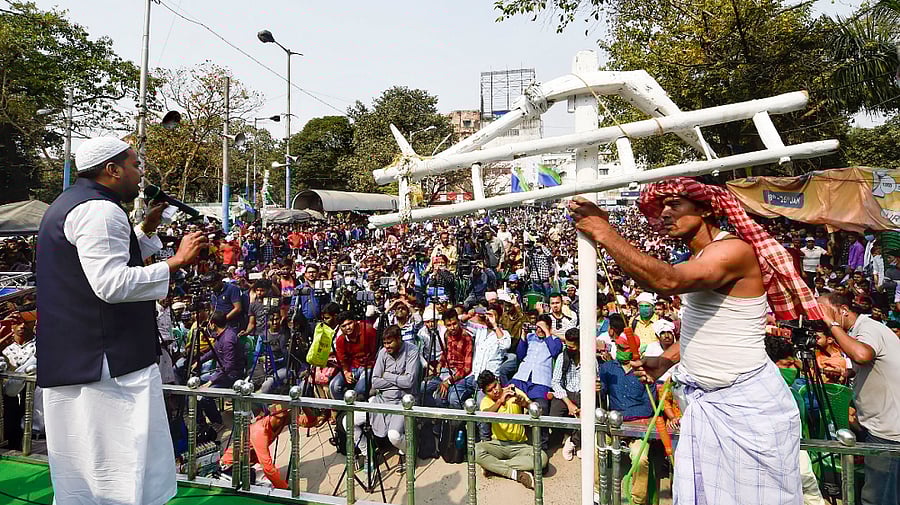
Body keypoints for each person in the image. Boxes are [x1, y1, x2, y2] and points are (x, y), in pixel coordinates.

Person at [569, 177, 823, 505]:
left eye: (675, 204)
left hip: (746, 410)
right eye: (661, 207)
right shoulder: (702, 255)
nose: (664, 212)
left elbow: (666, 280)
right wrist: (665, 360)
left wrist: (606, 233)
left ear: (705, 208)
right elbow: (702, 325)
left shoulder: (732, 250)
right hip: (708, 409)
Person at [36, 136, 205, 505]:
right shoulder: (100, 211)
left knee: (83, 472)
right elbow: (111, 283)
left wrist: (146, 229)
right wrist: (176, 262)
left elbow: (102, 262)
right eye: (134, 165)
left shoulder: (69, 205)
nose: (140, 173)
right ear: (112, 170)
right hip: (108, 366)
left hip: (77, 357)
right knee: (121, 469)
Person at [817, 292, 900, 505]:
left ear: (843, 310)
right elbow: (865, 365)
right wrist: (845, 371)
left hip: (887, 432)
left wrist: (831, 323)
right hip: (881, 426)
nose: (821, 317)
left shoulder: (868, 327)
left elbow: (862, 355)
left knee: (877, 499)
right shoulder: (860, 331)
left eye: (824, 311)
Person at [352, 326, 420, 474]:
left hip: (403, 401)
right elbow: (375, 382)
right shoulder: (382, 353)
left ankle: (408, 453)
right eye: (385, 343)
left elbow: (409, 382)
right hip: (382, 399)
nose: (387, 346)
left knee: (394, 436)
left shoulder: (412, 350)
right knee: (348, 421)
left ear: (399, 340)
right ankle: (368, 454)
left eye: (390, 342)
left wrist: (387, 375)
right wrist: (397, 378)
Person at [474, 370, 548, 489]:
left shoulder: (514, 391)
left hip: (519, 445)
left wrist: (524, 404)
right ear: (484, 392)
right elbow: (485, 417)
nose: (495, 391)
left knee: (542, 458)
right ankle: (515, 474)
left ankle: (494, 467)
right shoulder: (486, 401)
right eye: (490, 390)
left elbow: (537, 410)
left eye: (495, 386)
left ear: (498, 381)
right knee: (474, 450)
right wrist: (500, 401)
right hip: (498, 444)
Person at [510, 315, 562, 449]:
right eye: (537, 327)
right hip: (522, 377)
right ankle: (510, 437)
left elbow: (555, 352)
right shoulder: (530, 338)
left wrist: (547, 333)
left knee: (541, 407)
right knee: (507, 398)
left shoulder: (555, 341)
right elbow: (520, 355)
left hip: (541, 381)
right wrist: (523, 335)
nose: (538, 330)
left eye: (542, 327)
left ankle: (542, 444)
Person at [220, 406, 291, 489]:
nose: (281, 421)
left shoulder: (281, 420)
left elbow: (308, 422)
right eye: (280, 418)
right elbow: (267, 467)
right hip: (230, 466)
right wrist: (286, 490)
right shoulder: (259, 431)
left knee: (274, 477)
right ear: (270, 416)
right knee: (270, 485)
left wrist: (304, 406)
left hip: (248, 463)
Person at [330, 312, 377, 401]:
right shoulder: (341, 340)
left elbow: (376, 351)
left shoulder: (368, 330)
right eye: (344, 326)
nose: (348, 327)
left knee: (358, 391)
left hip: (369, 366)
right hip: (353, 367)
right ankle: (343, 412)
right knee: (334, 387)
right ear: (340, 328)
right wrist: (346, 372)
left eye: (349, 323)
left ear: (355, 322)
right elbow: (343, 360)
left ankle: (355, 413)